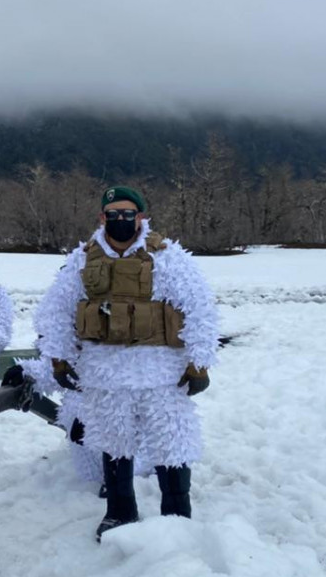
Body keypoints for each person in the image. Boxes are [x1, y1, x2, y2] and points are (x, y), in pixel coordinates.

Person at [35, 186, 219, 540]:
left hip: (163, 373)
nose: (121, 220)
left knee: (172, 443)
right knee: (113, 442)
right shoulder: (82, 260)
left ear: (142, 218)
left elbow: (200, 307)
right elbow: (56, 311)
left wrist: (199, 363)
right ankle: (120, 513)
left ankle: (177, 515)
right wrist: (58, 358)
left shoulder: (166, 257)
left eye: (128, 214)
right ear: (102, 218)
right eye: (113, 214)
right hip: (106, 375)